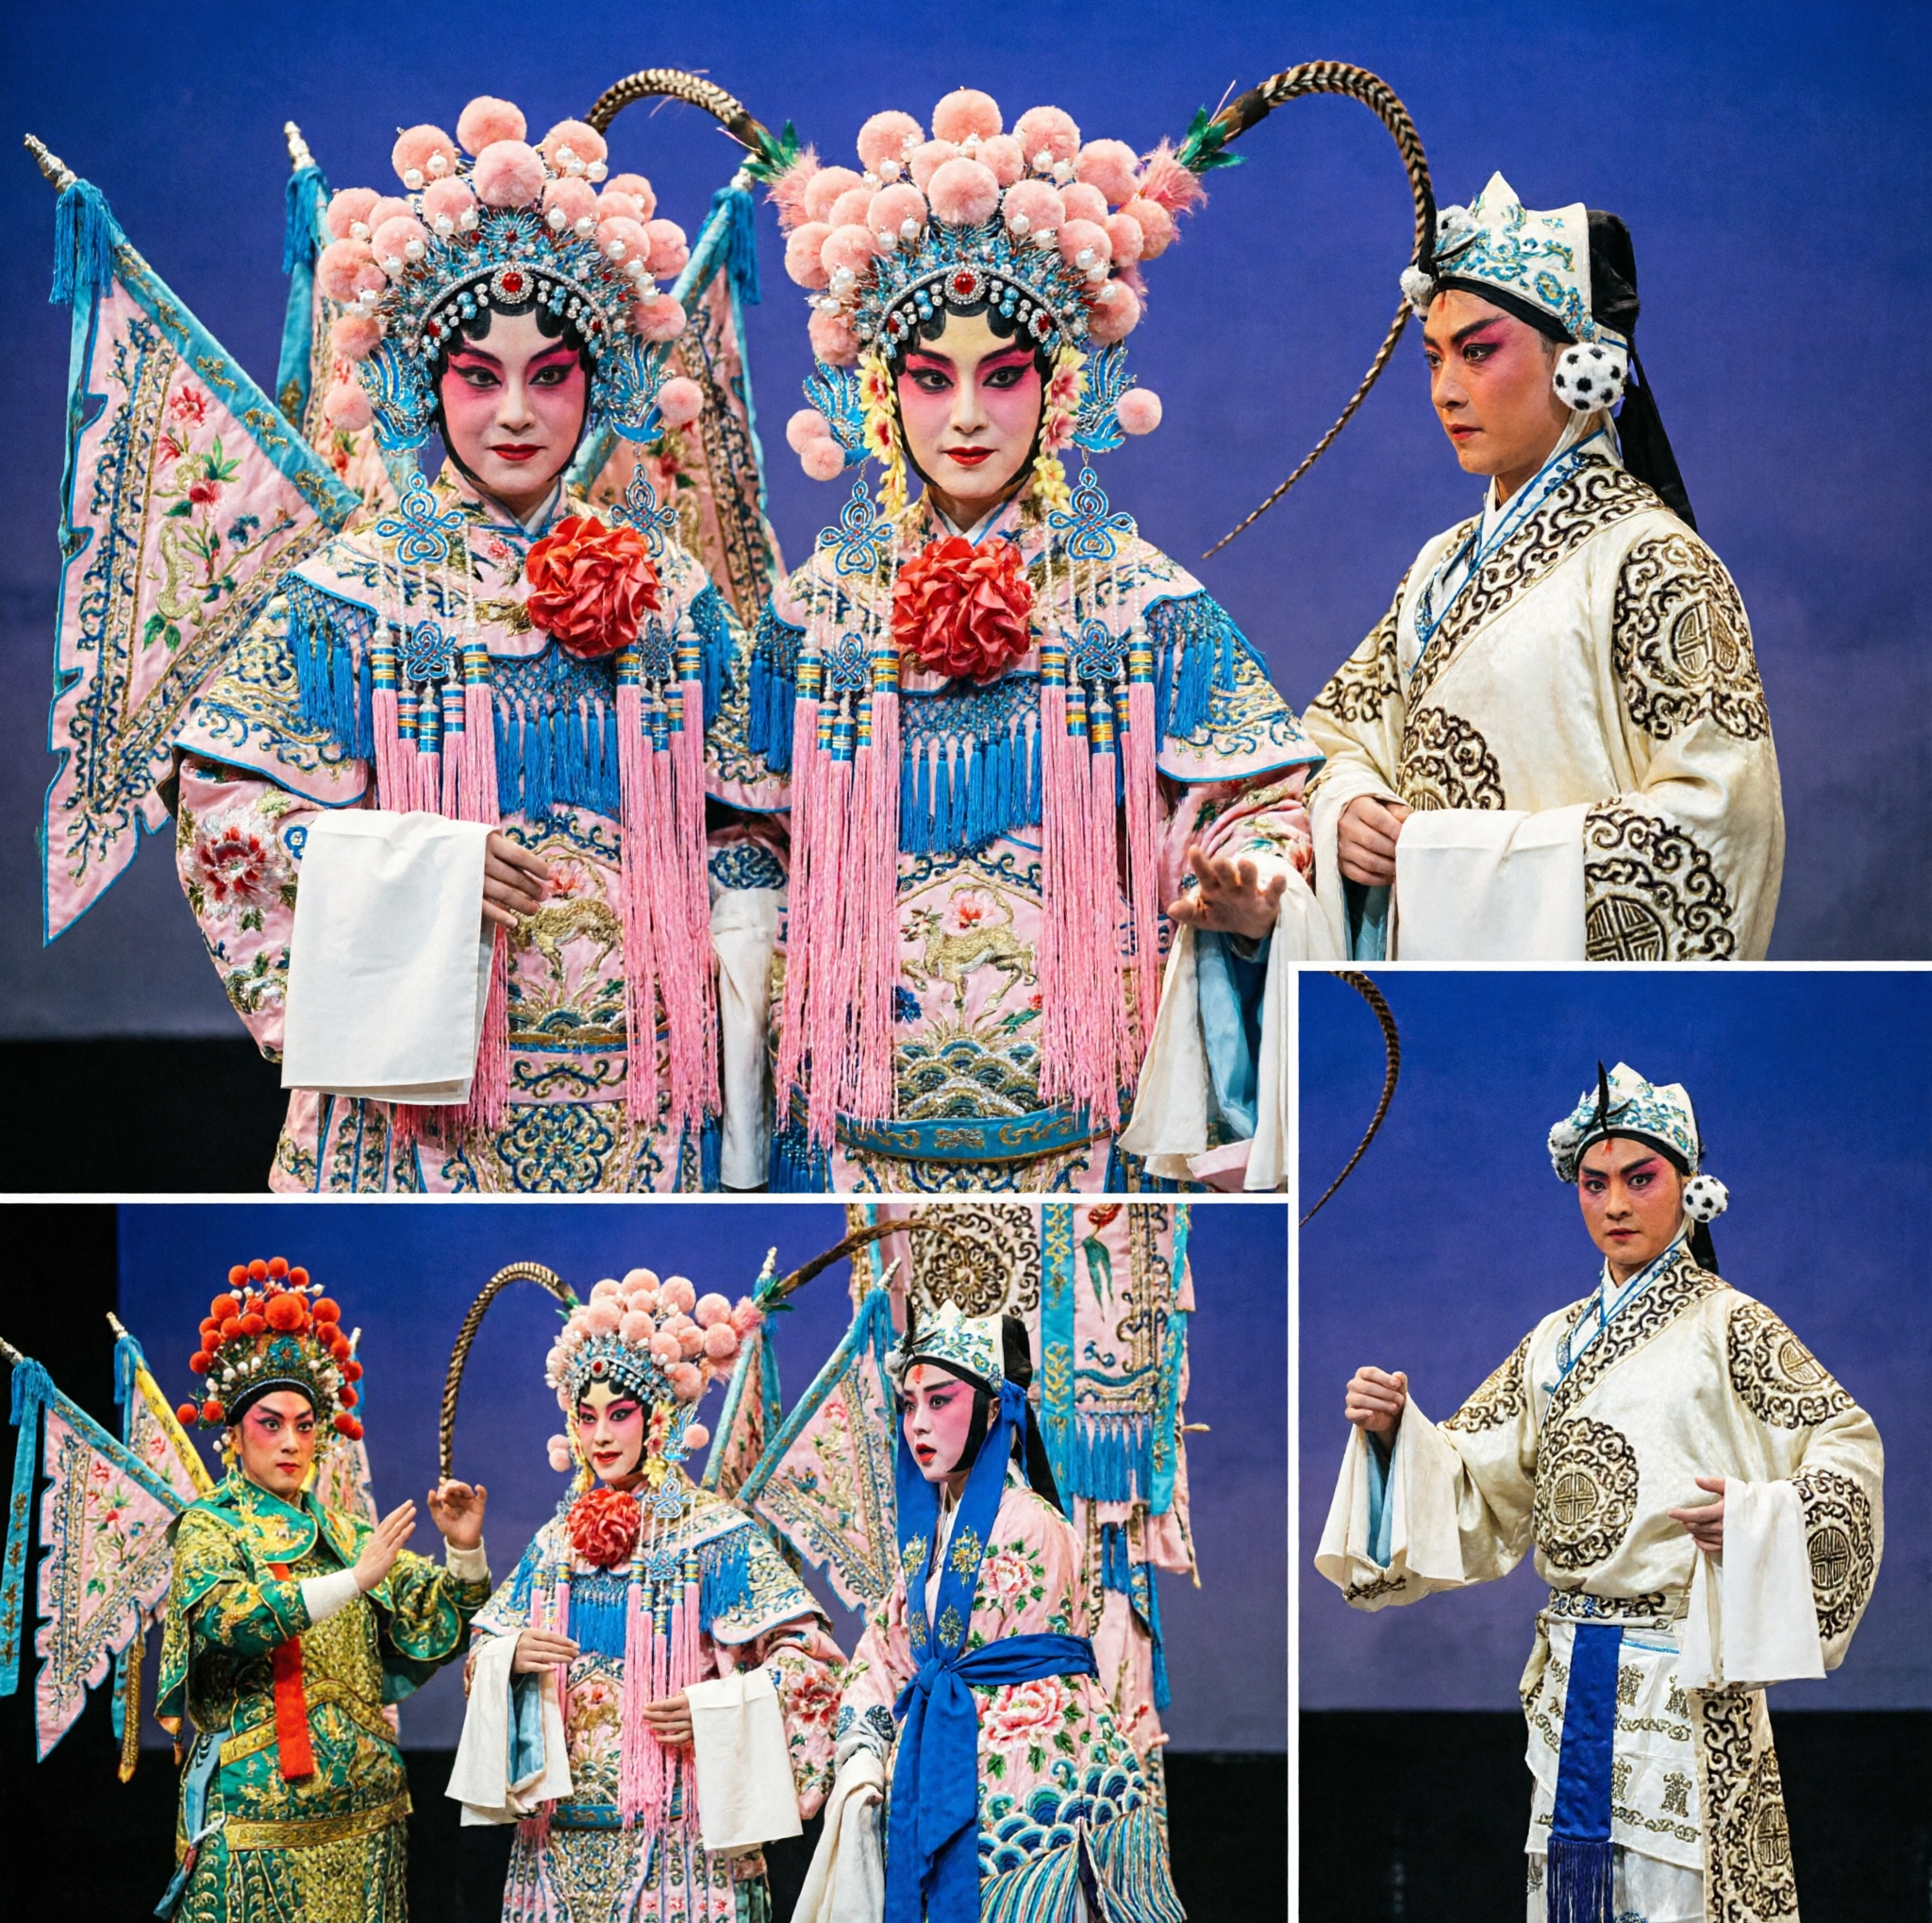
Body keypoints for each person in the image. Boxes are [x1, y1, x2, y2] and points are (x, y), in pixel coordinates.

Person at [716, 88, 1337, 1193]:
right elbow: (741, 833)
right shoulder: (812, 618)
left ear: (1058, 389)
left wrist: (1259, 882)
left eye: (1000, 377)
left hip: (1084, 1146)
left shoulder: (1138, 607)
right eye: (929, 376)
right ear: (877, 388)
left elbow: (1263, 797)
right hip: (855, 1135)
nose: (963, 417)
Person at [172, 92, 749, 1191]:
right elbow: (224, 813)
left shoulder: (671, 595)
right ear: (426, 386)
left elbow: (757, 817)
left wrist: (688, 900)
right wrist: (425, 867)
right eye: (479, 376)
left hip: (644, 1097)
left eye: (549, 375)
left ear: (602, 382)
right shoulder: (354, 594)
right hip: (417, 1119)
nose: (516, 414)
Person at [1317, 1064, 1883, 1923]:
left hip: (1685, 1676)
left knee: (1681, 1907)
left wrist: (1757, 1519)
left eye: (1640, 1178)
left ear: (1689, 1187)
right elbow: (1474, 1474)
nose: (1614, 1204)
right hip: (1578, 1674)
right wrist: (1400, 1436)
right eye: (1594, 1184)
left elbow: (1843, 1444)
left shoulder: (1733, 1325)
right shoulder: (1553, 1343)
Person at [1303, 175, 1784, 961]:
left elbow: (1720, 827)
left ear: (1582, 364)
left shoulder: (1654, 561)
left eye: (1478, 352)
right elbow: (1334, 741)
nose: (1445, 391)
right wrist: (1347, 805)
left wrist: (1432, 855)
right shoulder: (1436, 569)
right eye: (1432, 359)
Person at [452, 1267, 844, 1923]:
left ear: (658, 1417)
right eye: (587, 1417)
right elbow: (481, 1656)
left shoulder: (710, 1533)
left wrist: (720, 1708)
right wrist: (508, 1655)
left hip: (682, 1835)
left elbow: (813, 1664)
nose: (601, 1435)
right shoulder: (554, 1544)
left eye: (620, 1414)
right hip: (556, 1841)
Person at [797, 1301, 1181, 1923]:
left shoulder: (1032, 1522)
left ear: (995, 1408)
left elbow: (1027, 1669)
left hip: (1028, 1788)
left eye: (940, 1400)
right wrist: (864, 1755)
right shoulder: (925, 1544)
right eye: (908, 1404)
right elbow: (884, 1653)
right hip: (937, 1776)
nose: (918, 1423)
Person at [158, 1259, 490, 1923]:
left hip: (368, 1817)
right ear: (233, 1430)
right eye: (271, 1423)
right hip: (256, 1819)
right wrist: (353, 1581)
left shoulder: (344, 1531)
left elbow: (437, 1625)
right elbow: (232, 1619)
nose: (291, 1442)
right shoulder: (210, 1528)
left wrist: (463, 1547)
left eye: (306, 1425)